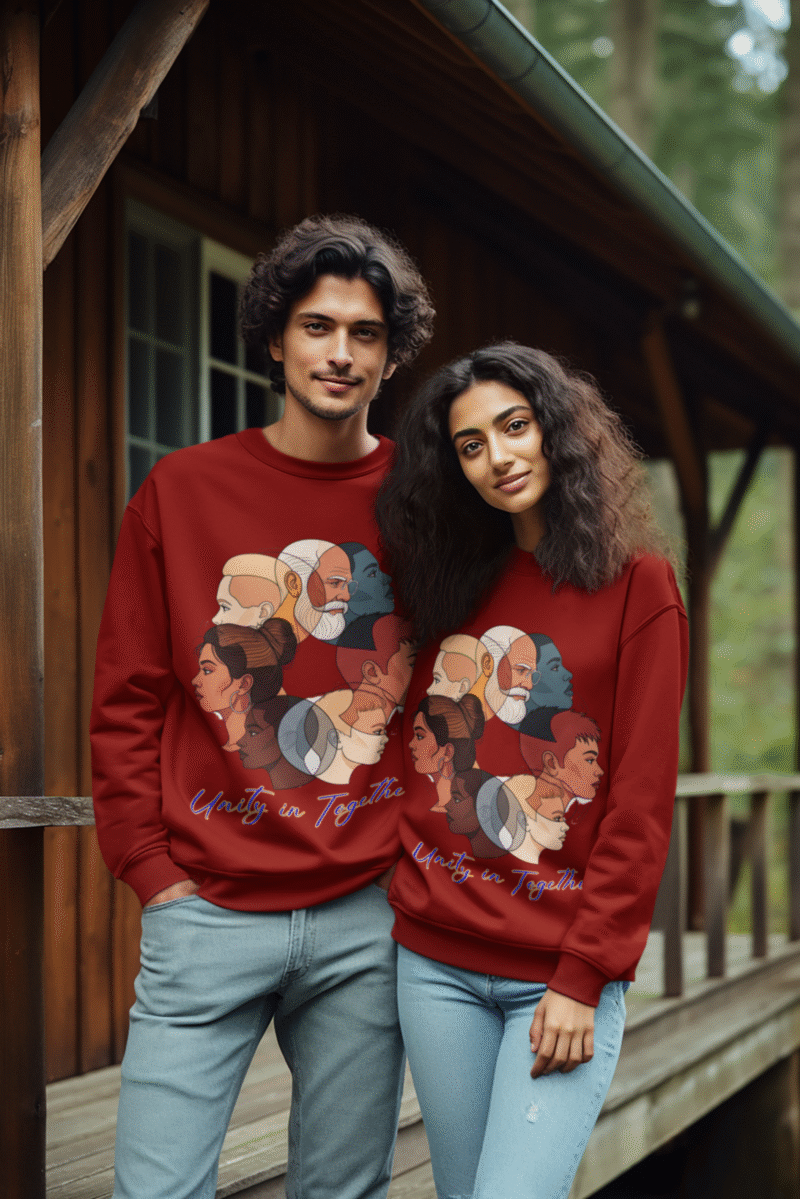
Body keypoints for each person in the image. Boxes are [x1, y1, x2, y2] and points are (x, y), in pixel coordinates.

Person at [90, 213, 434, 1199]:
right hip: (204, 907)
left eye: (364, 333)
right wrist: (149, 869)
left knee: (342, 1188)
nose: (339, 352)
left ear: (388, 353)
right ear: (276, 336)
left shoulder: (422, 499)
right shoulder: (183, 490)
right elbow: (127, 693)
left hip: (364, 912)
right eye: (318, 326)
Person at [376, 341, 688, 1199]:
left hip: (555, 975)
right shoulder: (448, 584)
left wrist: (584, 976)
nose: (498, 458)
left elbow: (638, 802)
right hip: (433, 964)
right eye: (470, 445)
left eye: (514, 427)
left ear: (555, 430)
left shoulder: (639, 587)